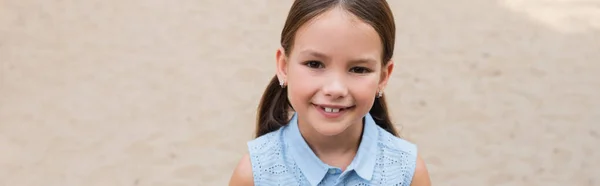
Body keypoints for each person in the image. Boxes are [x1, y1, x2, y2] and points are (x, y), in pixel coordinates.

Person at [229, 0, 431, 185]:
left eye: (359, 69)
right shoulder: (254, 174)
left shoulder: (408, 172)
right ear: (283, 66)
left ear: (383, 77)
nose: (335, 89)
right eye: (314, 64)